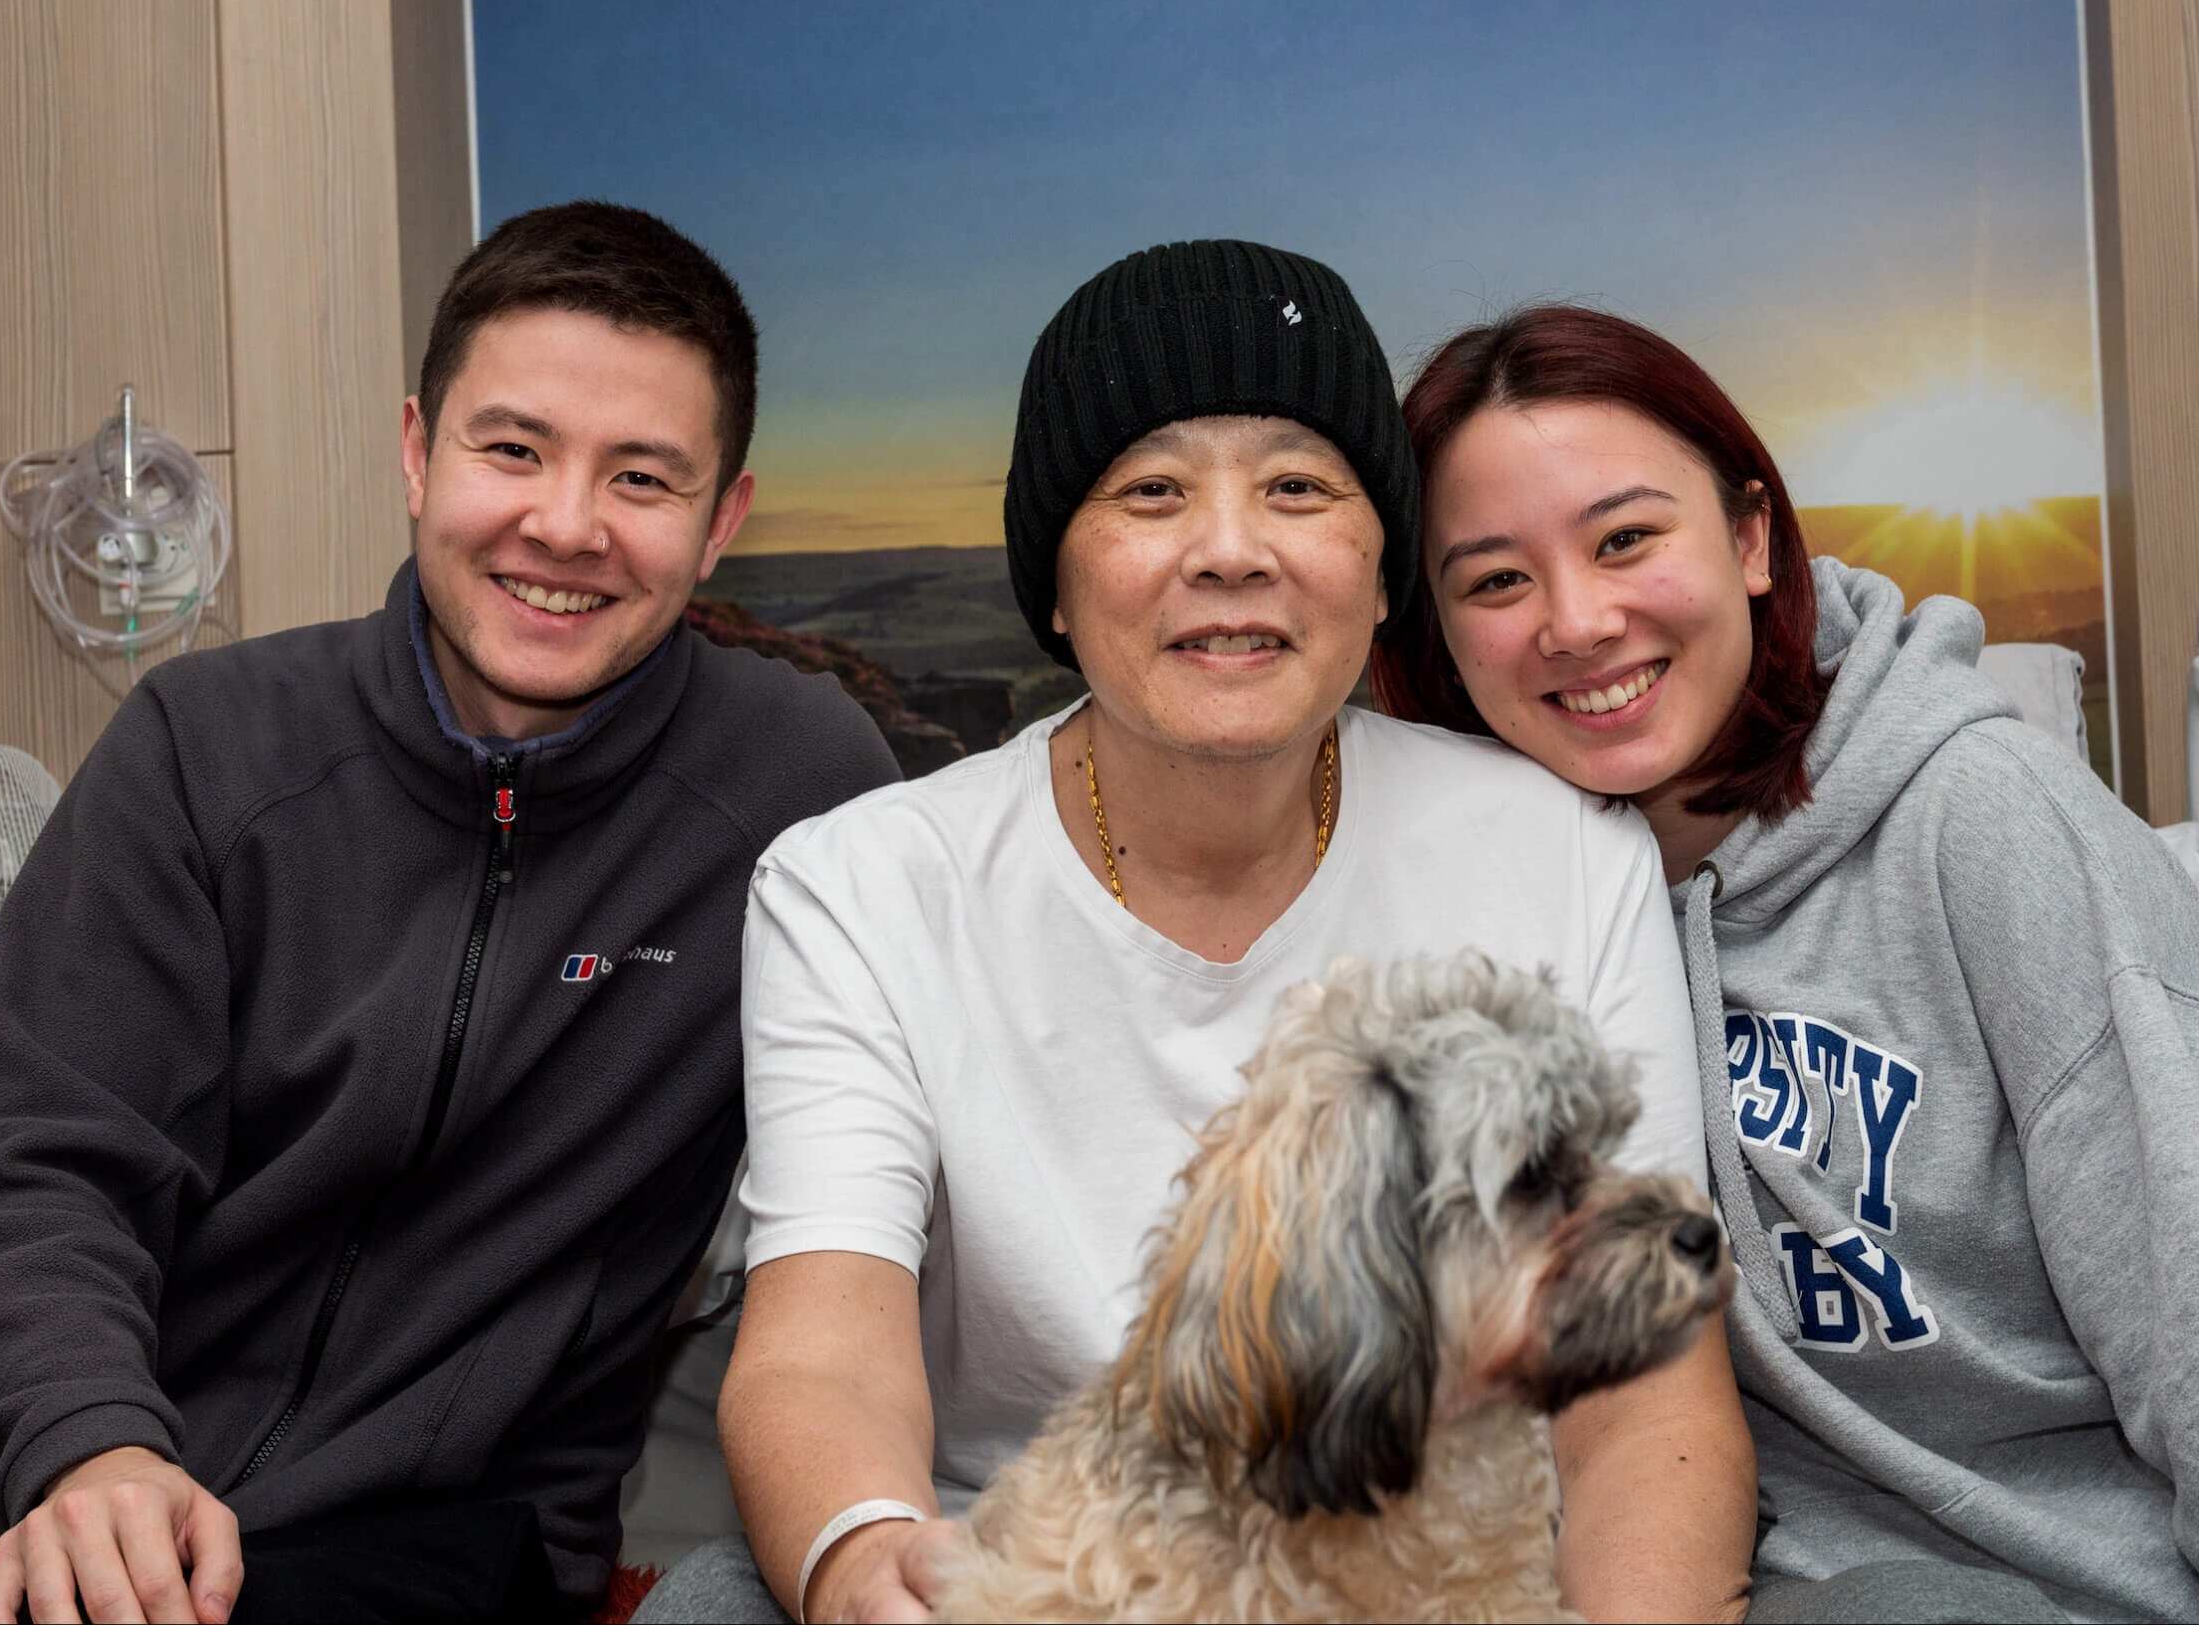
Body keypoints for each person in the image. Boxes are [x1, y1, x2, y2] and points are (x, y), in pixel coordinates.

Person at [641, 242, 1756, 1625]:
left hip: (1464, 1573)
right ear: (1053, 586)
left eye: (1298, 487)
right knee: (710, 1603)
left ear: (1381, 566)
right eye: (1152, 492)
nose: (1231, 550)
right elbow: (822, 1351)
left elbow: (1646, 1395)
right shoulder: (861, 885)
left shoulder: (1565, 855)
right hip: (1048, 1567)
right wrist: (872, 1563)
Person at [0, 202, 899, 1625]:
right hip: (113, 1506)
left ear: (723, 521)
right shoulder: (205, 749)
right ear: (419, 452)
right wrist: (92, 1444)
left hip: (463, 1544)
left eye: (643, 478)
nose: (566, 525)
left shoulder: (802, 791)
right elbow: (46, 1163)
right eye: (513, 449)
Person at [1375, 303, 2199, 1623]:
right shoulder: (1497, 912)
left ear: (1749, 538)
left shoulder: (1985, 820)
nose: (1576, 620)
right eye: (1496, 579)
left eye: (1627, 538)